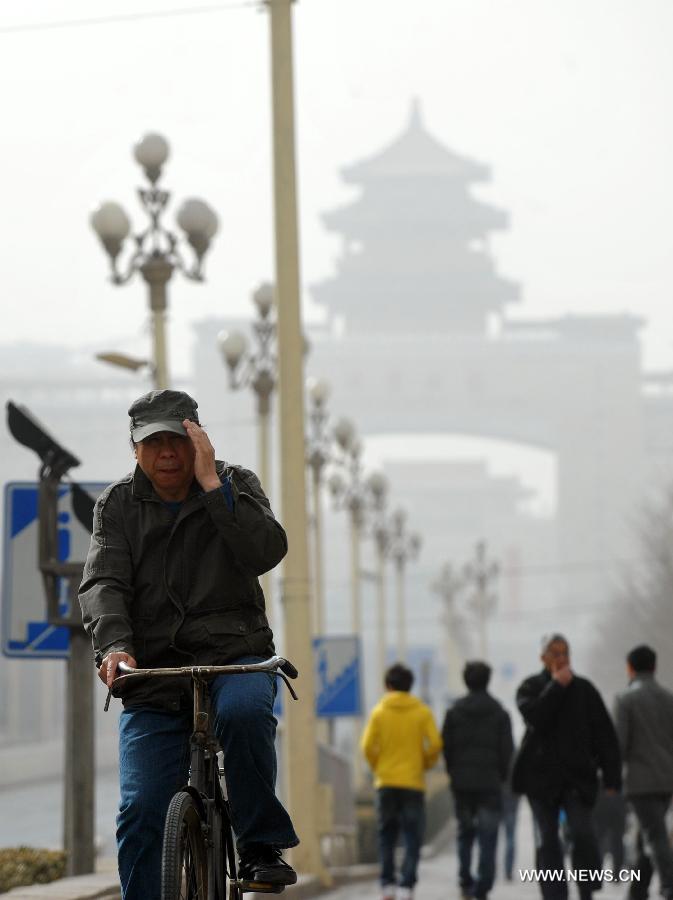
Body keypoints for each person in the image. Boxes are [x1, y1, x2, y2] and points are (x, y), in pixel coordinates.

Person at [78, 389, 298, 900]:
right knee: (141, 809)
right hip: (153, 672)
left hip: (233, 657)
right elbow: (103, 583)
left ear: (198, 439)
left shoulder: (235, 485)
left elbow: (265, 551)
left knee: (245, 716)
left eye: (177, 439)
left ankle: (260, 846)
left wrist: (212, 487)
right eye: (153, 442)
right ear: (135, 449)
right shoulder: (117, 505)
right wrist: (114, 647)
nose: (167, 452)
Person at [512, 633, 621, 900]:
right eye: (555, 653)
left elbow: (604, 735)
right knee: (548, 840)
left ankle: (587, 887)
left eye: (565, 653)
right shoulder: (530, 688)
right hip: (541, 780)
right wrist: (556, 687)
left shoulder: (585, 690)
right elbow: (536, 717)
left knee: (582, 833)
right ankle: (554, 894)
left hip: (577, 778)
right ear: (543, 658)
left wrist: (611, 778)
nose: (561, 659)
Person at [361, 662, 442, 900]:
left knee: (387, 834)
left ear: (388, 686)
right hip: (413, 783)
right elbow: (436, 744)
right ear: (410, 686)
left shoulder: (379, 712)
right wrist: (425, 763)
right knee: (412, 835)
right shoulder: (422, 712)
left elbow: (366, 746)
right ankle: (407, 885)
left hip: (385, 782)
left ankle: (387, 884)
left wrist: (379, 766)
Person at [442, 661, 514, 900]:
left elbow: (447, 748)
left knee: (465, 832)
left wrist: (453, 773)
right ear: (488, 680)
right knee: (489, 835)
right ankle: (484, 883)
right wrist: (501, 776)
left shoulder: (453, 713)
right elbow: (507, 751)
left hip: (462, 783)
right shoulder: (500, 713)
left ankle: (465, 879)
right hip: (490, 783)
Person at [613, 644, 673, 900]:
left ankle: (669, 885)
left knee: (654, 835)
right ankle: (637, 890)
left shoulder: (625, 700)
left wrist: (612, 776)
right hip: (667, 779)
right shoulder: (669, 698)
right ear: (654, 666)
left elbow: (620, 744)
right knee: (646, 834)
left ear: (629, 667)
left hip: (640, 782)